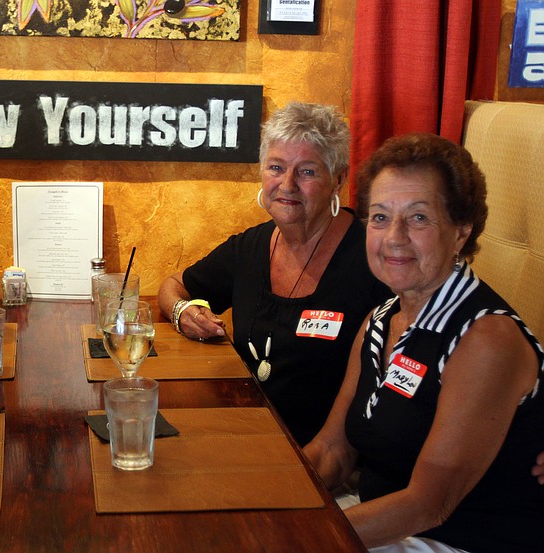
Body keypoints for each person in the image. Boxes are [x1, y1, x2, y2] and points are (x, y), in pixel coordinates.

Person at [304, 133, 544, 552]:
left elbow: (429, 506)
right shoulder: (380, 321)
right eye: (380, 217)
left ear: (460, 232)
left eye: (418, 218)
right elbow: (332, 452)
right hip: (382, 525)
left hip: (458, 540)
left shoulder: (486, 338)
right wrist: (263, 502)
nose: (394, 237)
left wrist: (293, 535)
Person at [158, 102, 391, 445]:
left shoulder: (376, 259)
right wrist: (182, 312)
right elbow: (173, 285)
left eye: (307, 171)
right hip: (245, 433)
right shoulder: (250, 247)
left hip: (327, 455)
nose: (287, 184)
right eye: (276, 168)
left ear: (339, 179)